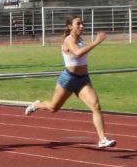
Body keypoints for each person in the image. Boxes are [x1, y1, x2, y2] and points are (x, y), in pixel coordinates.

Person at [24, 15, 116, 148]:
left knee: (95, 106)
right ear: (70, 26)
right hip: (68, 79)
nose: (82, 26)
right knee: (53, 108)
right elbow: (78, 53)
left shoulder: (80, 39)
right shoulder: (69, 40)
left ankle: (102, 139)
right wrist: (96, 42)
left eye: (82, 24)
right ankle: (37, 105)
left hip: (83, 79)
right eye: (78, 24)